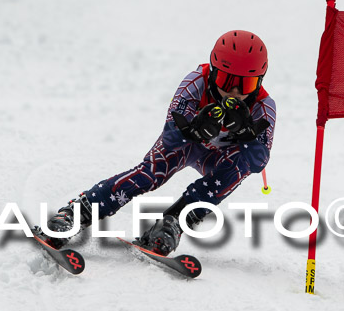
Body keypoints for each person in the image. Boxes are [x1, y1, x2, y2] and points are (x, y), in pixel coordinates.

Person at [38, 30, 277, 256]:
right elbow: (171, 137)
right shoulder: (196, 82)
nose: (234, 92)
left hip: (220, 160)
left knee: (236, 170)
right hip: (188, 147)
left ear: (260, 81)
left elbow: (257, 162)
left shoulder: (264, 107)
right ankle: (75, 213)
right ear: (214, 72)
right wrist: (195, 128)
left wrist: (247, 133)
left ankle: (173, 222)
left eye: (246, 85)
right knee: (151, 173)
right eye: (226, 80)